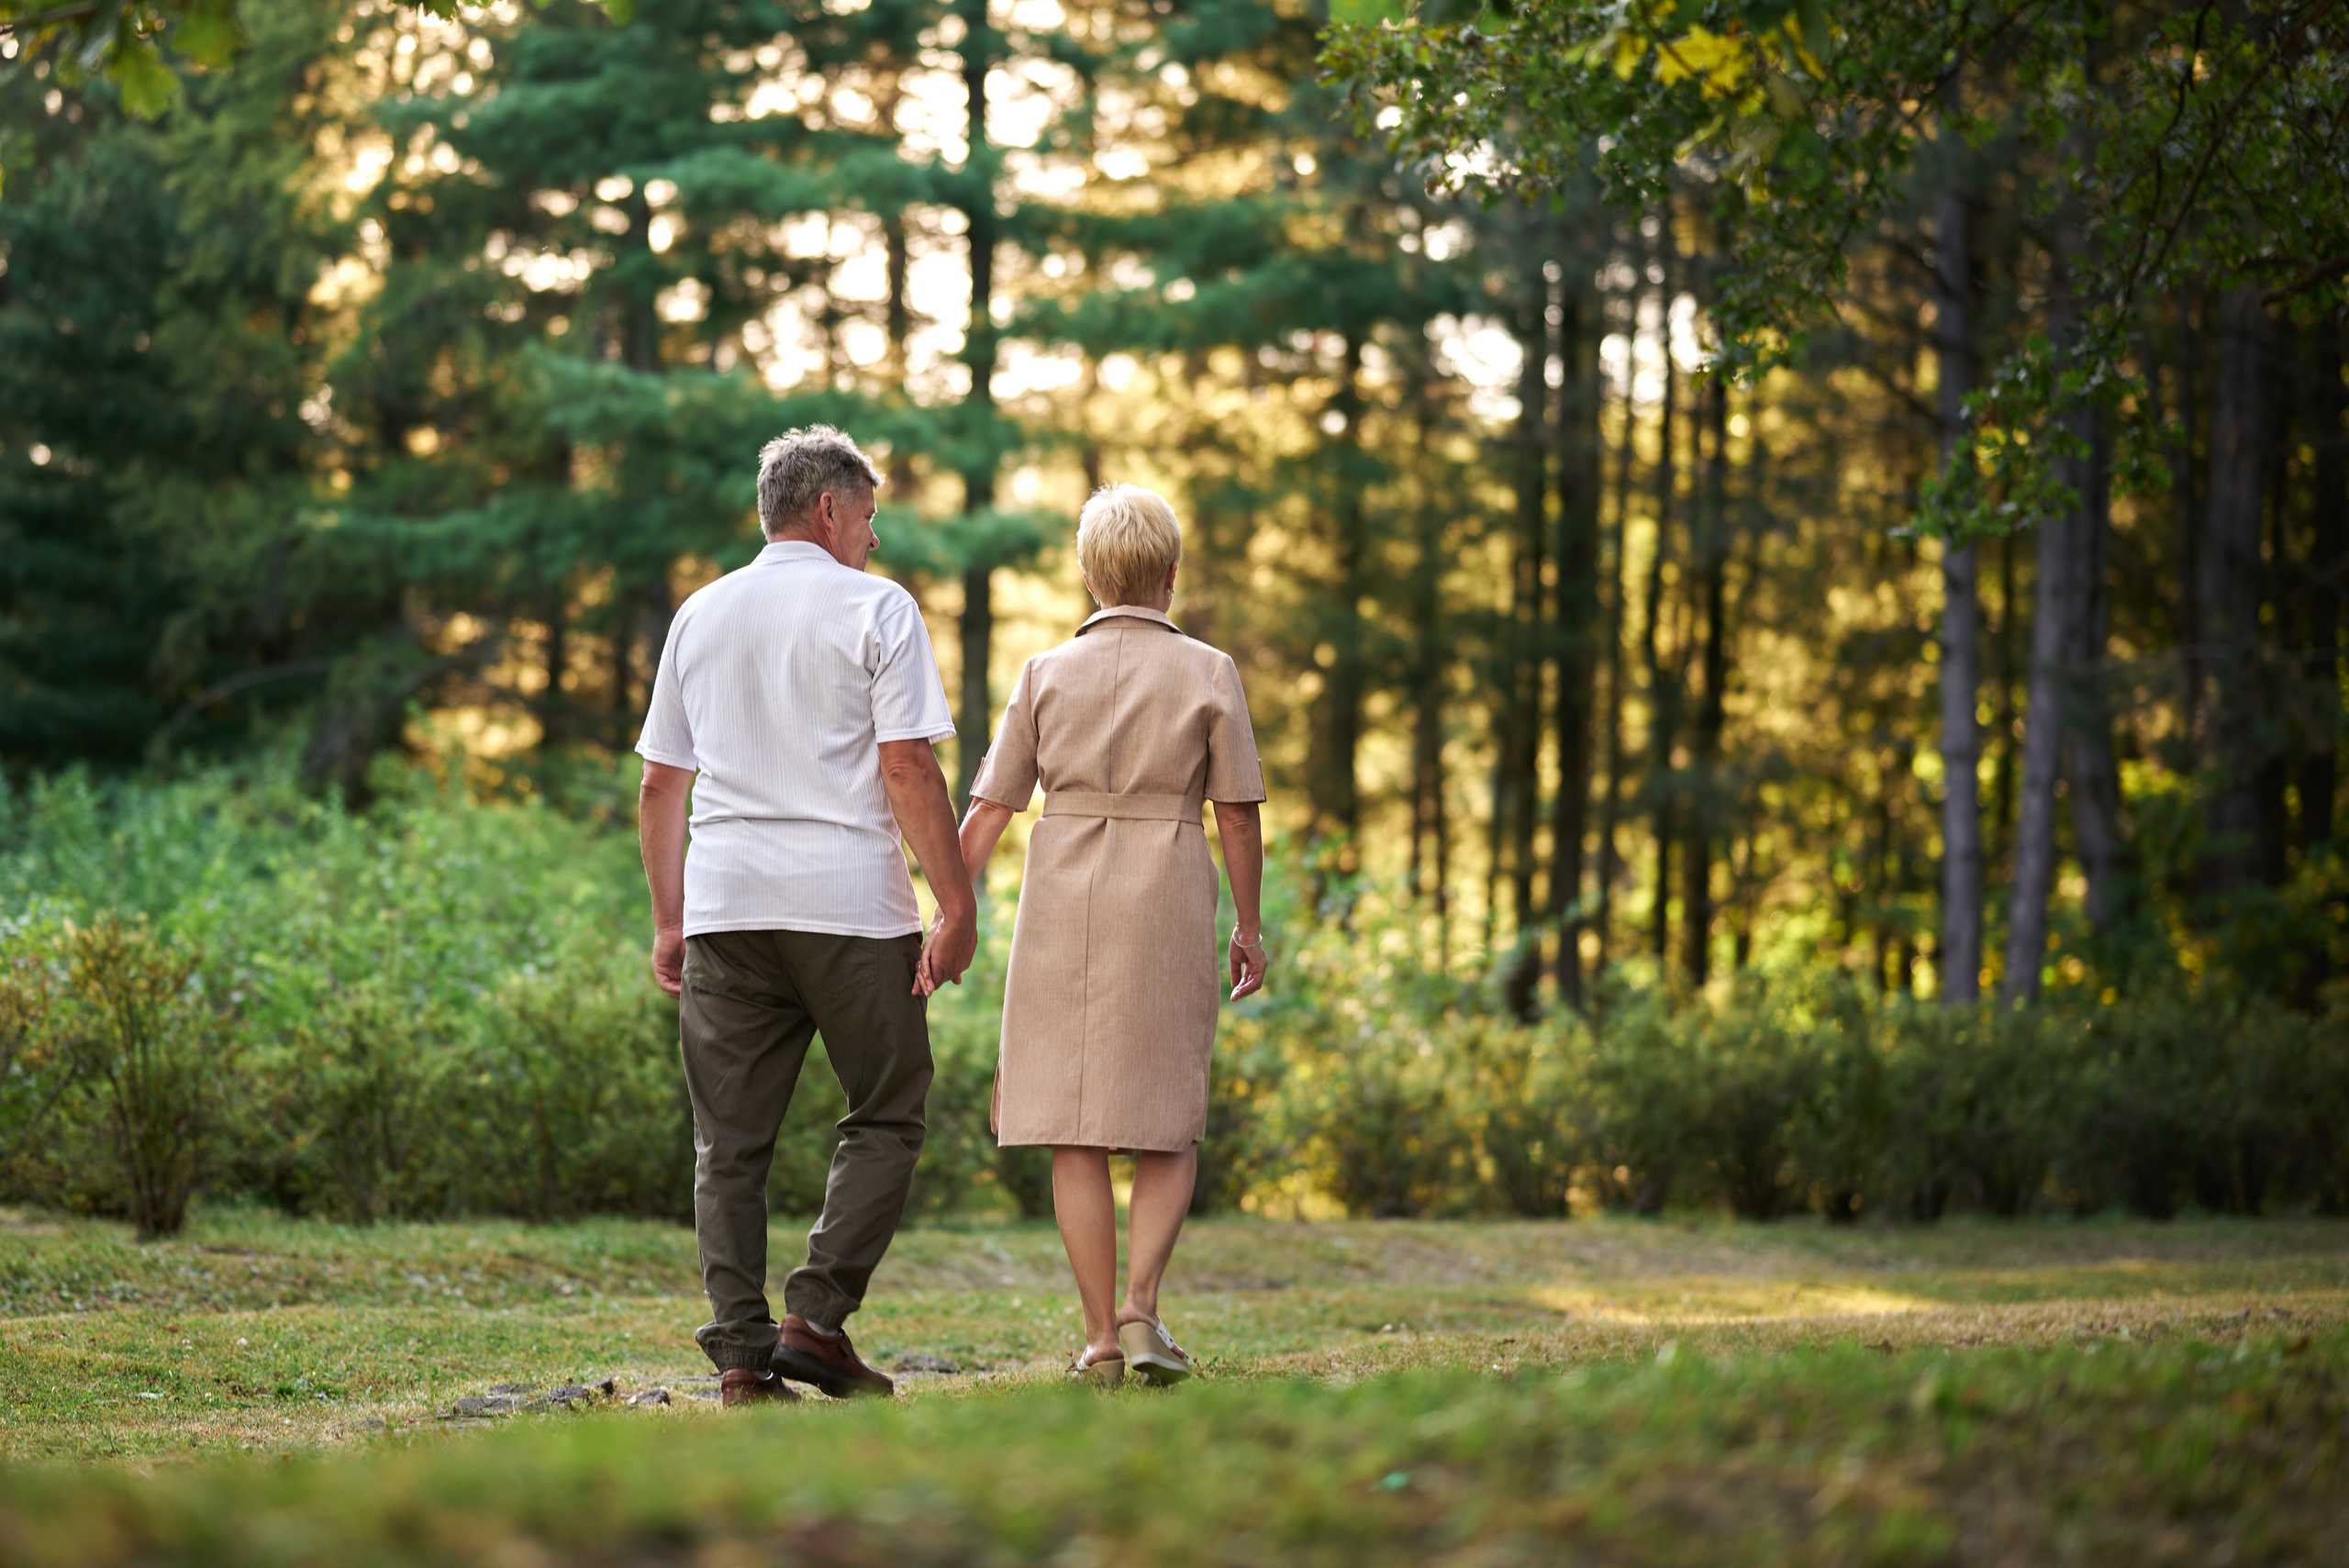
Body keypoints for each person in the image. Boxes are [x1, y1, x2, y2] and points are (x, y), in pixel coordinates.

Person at [635, 426, 975, 1407]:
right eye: (868, 517)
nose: (875, 538)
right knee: (886, 1106)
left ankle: (742, 1354)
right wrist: (955, 901)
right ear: (828, 507)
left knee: (727, 1143)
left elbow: (662, 785)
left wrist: (671, 920)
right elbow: (907, 766)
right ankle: (816, 1318)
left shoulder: (700, 614)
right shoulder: (878, 608)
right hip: (849, 911)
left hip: (729, 909)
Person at [955, 483, 1269, 1387]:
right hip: (1167, 886)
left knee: (1073, 1124)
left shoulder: (1044, 672)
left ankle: (1097, 1335)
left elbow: (989, 808)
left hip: (1062, 899)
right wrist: (1247, 926)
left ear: (1088, 575)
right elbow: (1239, 818)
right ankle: (1142, 1307)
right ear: (1171, 574)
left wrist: (946, 910)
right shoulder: (1209, 671)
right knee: (1168, 1118)